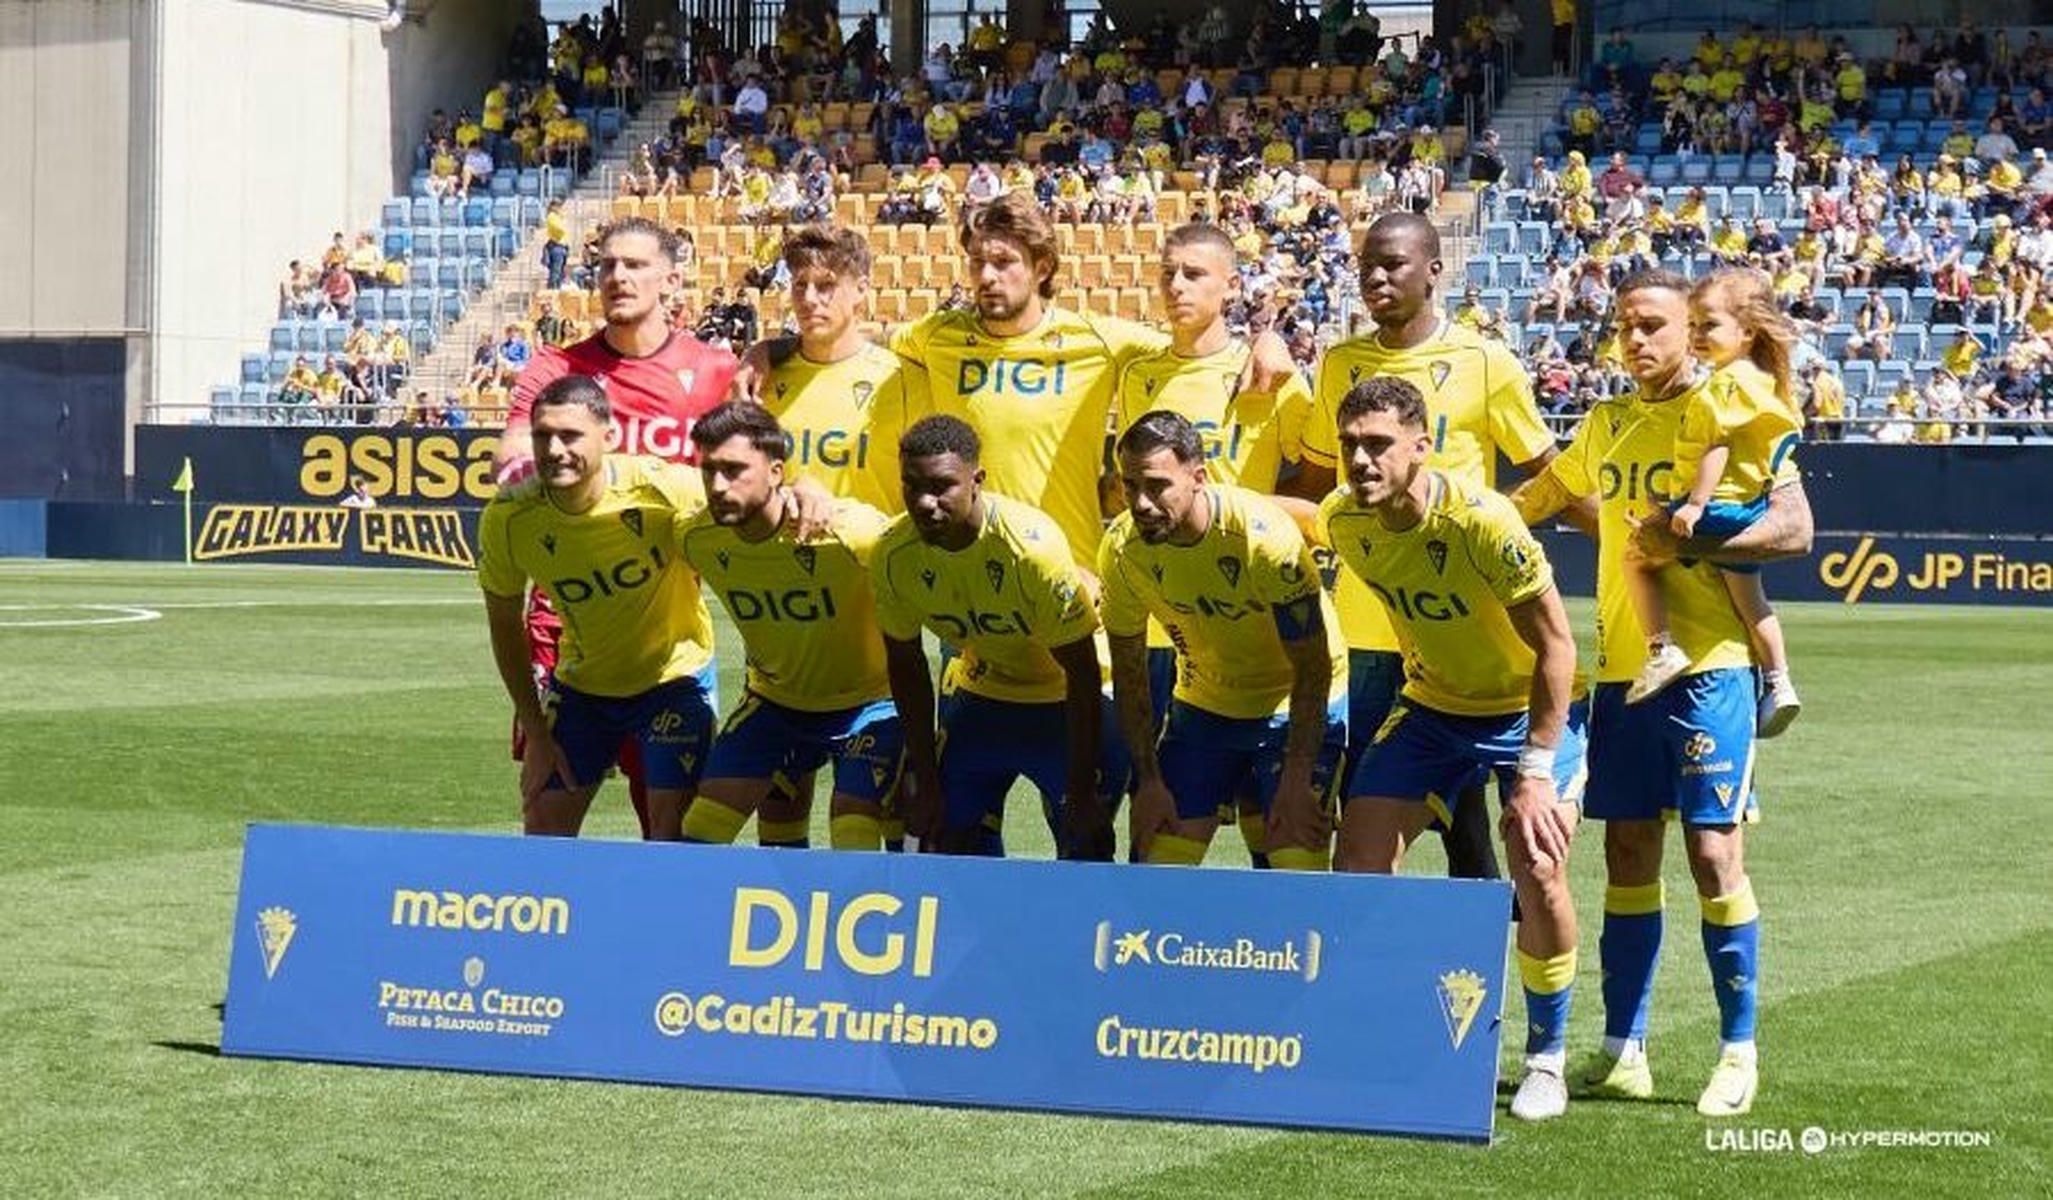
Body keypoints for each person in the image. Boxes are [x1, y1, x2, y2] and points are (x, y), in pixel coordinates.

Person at [1511, 268, 1816, 1119]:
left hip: (1710, 663)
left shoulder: (1725, 408)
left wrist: (1697, 545)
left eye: (1652, 326)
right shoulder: (1605, 422)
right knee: (1628, 854)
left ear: (1691, 331)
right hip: (1622, 671)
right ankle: (1623, 1048)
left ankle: (1736, 1051)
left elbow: (1795, 529)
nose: (1635, 341)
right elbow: (1543, 494)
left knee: (1713, 855)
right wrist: (1477, 520)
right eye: (1623, 327)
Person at [1317, 376, 1585, 1122]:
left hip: (1526, 712)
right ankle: (1393, 1031)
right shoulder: (1346, 521)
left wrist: (1534, 769)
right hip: (1431, 710)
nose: (1361, 461)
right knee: (1358, 860)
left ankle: (1546, 1058)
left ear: (1420, 445)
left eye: (1378, 445)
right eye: (1349, 446)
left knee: (1536, 862)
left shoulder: (1483, 522)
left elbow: (1557, 648)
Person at [1282, 212, 1567, 890]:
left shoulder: (1483, 360)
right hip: (1370, 624)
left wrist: (1513, 522)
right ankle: (1397, 967)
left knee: (1474, 830)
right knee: (1379, 817)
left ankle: (1484, 958)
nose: (1375, 278)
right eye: (1366, 268)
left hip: (1469, 623)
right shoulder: (1341, 362)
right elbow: (1321, 481)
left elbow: (1547, 468)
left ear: (1434, 270)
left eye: (1393, 265)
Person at [496, 218, 744, 840]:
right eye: (607, 265)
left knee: (669, 824)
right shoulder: (558, 368)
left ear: (672, 278)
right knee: (544, 813)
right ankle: (547, 933)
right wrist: (536, 470)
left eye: (634, 265)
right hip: (564, 627)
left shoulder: (713, 370)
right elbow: (512, 455)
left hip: (665, 625)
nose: (618, 277)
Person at [1110, 221, 1318, 866]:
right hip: (1163, 625)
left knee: (1271, 831)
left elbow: (1316, 504)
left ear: (1232, 285)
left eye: (1194, 274)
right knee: (1157, 827)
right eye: (1168, 272)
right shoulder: (1137, 371)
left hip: (1255, 619)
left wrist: (1268, 336)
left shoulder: (1272, 375)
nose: (1176, 286)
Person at [870, 415, 1125, 859]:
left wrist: (1082, 793)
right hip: (985, 696)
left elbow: (1081, 672)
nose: (926, 502)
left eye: (942, 485)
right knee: (940, 833)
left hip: (1068, 699)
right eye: (913, 485)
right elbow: (907, 670)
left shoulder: (1030, 549)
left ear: (977, 481)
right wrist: (927, 782)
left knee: (1087, 842)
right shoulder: (893, 554)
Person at [476, 375, 718, 841]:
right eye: (543, 435)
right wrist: (537, 734)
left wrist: (805, 489)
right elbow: (505, 629)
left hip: (673, 679)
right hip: (583, 687)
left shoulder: (662, 489)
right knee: (542, 819)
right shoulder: (508, 519)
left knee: (671, 829)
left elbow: (750, 498)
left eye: (570, 436)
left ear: (609, 437)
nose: (555, 449)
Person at [1101, 412, 1344, 869]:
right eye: (1130, 486)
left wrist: (1296, 779)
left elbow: (1312, 668)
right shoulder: (1121, 550)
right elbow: (1130, 675)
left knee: (1295, 866)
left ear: (1198, 478)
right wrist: (1149, 783)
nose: (1141, 503)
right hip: (1205, 708)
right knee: (1156, 863)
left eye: (1156, 485)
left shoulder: (1263, 539)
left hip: (1293, 704)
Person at [751, 224, 928, 849]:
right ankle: (784, 940)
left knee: (877, 821)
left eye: (827, 285)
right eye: (799, 285)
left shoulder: (902, 380)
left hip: (874, 634)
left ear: (862, 292)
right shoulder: (763, 381)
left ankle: (887, 938)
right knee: (780, 810)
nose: (810, 298)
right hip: (784, 628)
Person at [676, 402, 902, 851]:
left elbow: (918, 557)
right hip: (775, 706)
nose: (718, 486)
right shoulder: (694, 537)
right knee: (698, 839)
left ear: (777, 471)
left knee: (853, 838)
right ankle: (776, 918)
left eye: (735, 469)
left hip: (870, 706)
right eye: (709, 471)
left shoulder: (847, 532)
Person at [1619, 269, 1803, 737]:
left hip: (1718, 505)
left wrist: (1692, 505)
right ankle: (1779, 680)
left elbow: (1716, 445)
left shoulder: (1724, 384)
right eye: (1695, 326)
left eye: (1709, 326)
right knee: (1750, 600)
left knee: (1638, 556)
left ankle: (1662, 648)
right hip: (1747, 503)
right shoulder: (1764, 381)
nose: (1699, 336)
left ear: (1747, 331)